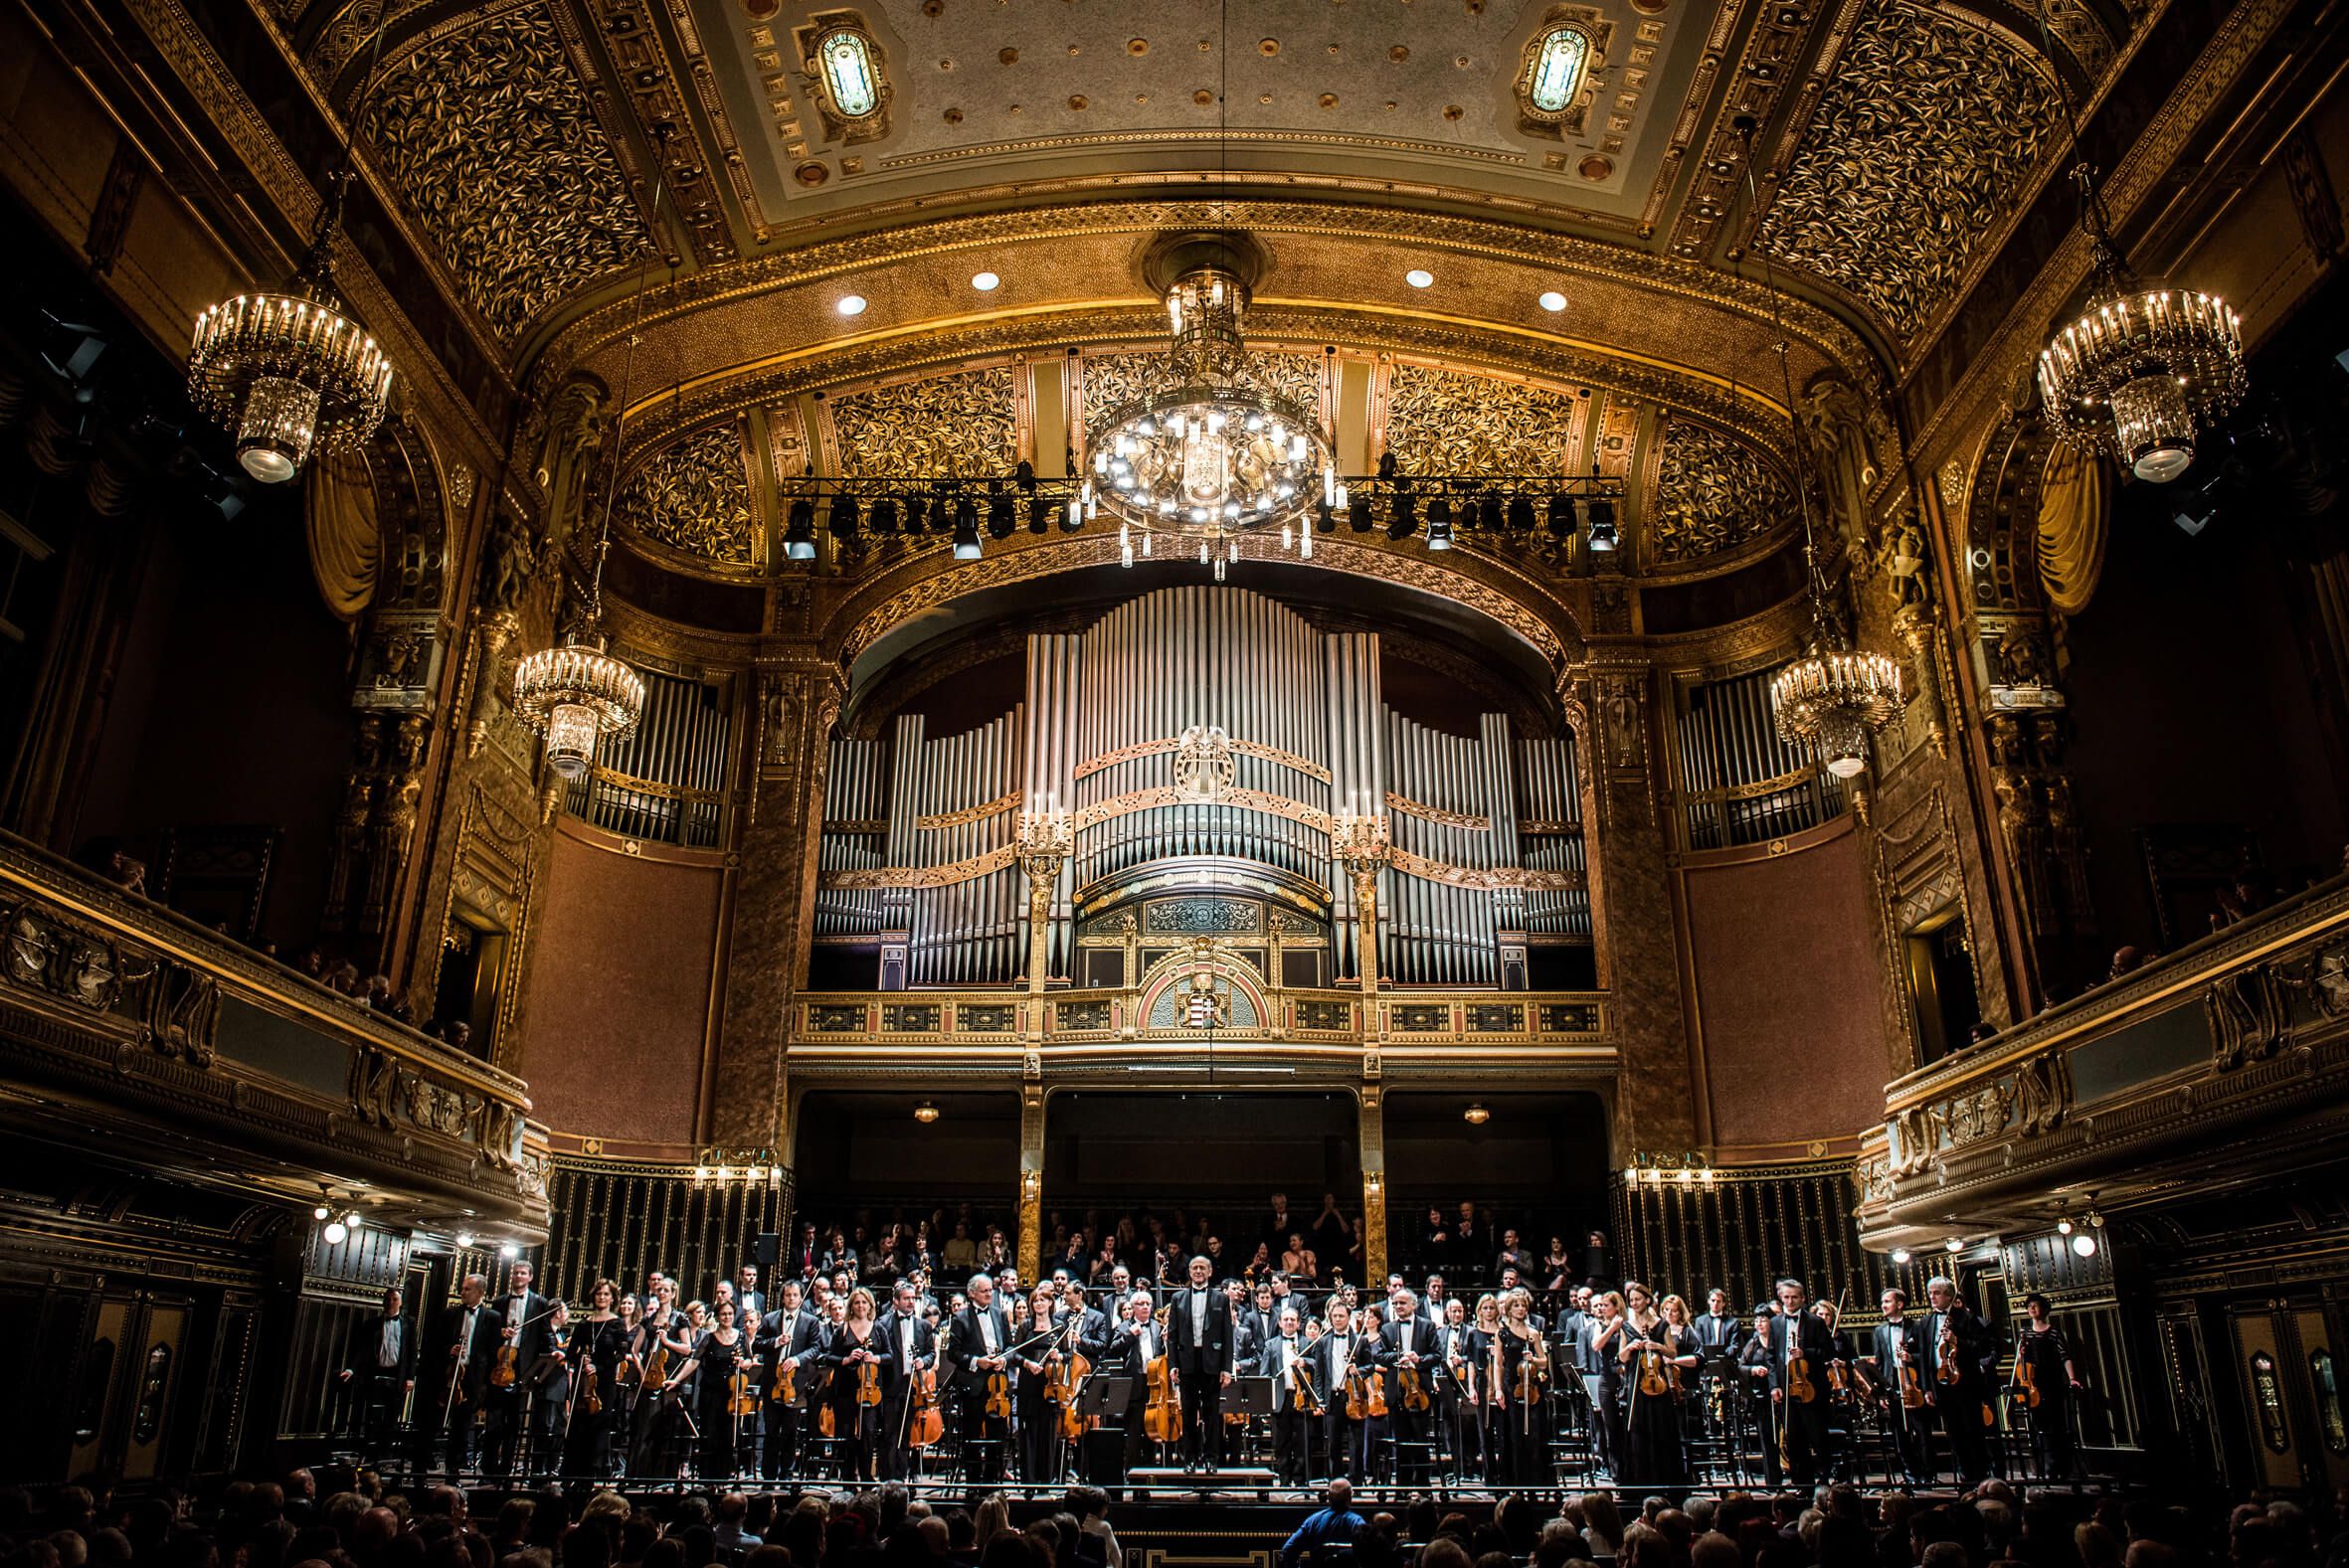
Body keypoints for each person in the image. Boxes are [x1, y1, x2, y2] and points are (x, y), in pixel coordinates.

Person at [1919, 1275, 1997, 1484]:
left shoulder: (1966, 1318)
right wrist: (1927, 1388)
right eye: (1930, 1294)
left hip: (1966, 1383)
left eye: (1937, 1293)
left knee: (1972, 1431)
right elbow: (1926, 1358)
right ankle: (1964, 1478)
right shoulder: (1926, 1322)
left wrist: (1957, 1341)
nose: (1932, 1298)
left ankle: (1979, 1476)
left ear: (1949, 1296)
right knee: (1954, 1433)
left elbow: (1982, 1348)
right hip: (1941, 1383)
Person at [1762, 1278, 1837, 1485]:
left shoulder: (1815, 1322)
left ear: (1803, 1299)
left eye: (1794, 1297)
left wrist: (1806, 1353)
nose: (1790, 1301)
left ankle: (1824, 1480)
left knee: (1817, 1436)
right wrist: (1774, 1385)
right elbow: (1770, 1356)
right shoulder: (1776, 1323)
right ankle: (1801, 1483)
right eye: (1786, 1297)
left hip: (1811, 1388)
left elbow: (1828, 1352)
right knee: (1794, 1439)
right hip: (1786, 1387)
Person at [1615, 1282, 1690, 1485]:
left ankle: (1666, 1478)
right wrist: (1630, 1347)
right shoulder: (1626, 1326)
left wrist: (1657, 1346)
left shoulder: (1661, 1324)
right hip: (1636, 1384)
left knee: (1661, 1427)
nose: (1634, 1303)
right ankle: (1640, 1479)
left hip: (1658, 1384)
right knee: (1637, 1428)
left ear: (1648, 1300)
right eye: (1631, 1301)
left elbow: (1672, 1352)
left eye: (1638, 1299)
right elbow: (1621, 1358)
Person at [1857, 1286, 1929, 1485]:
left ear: (1900, 1304)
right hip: (1891, 1383)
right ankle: (1909, 1473)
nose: (1883, 1305)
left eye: (1887, 1301)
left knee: (1921, 1431)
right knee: (1900, 1434)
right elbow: (1879, 1363)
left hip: (1913, 1383)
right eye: (1882, 1302)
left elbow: (1925, 1355)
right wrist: (1880, 1394)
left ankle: (1926, 1474)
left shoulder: (1917, 1327)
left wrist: (1910, 1357)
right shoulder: (1879, 1331)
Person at [1170, 1254, 1235, 1470]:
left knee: (1211, 1415)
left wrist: (1227, 1368)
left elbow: (1227, 1335)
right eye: (1194, 1268)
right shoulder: (1177, 1298)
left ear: (1210, 1272)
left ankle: (1211, 1459)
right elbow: (1172, 1335)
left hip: (1212, 1363)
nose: (1198, 1271)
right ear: (1189, 1272)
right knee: (1188, 1414)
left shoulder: (1221, 1299)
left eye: (1202, 1268)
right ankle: (1189, 1459)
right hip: (1187, 1361)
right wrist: (1173, 1365)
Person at [436, 1273, 504, 1477]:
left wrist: (485, 1385)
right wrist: (450, 1349)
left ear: (481, 1292)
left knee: (462, 1426)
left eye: (467, 1289)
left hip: (473, 1378)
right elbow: (436, 1342)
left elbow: (492, 1352)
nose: (462, 1292)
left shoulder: (493, 1318)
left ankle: (453, 1471)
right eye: (463, 1288)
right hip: (449, 1375)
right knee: (437, 1421)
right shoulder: (450, 1314)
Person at [486, 1261, 551, 1476]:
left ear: (530, 1277)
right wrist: (500, 1333)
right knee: (493, 1422)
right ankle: (489, 1469)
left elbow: (544, 1335)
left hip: (522, 1369)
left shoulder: (539, 1303)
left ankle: (506, 1468)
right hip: (499, 1368)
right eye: (515, 1273)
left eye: (523, 1273)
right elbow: (489, 1332)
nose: (518, 1277)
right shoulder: (499, 1302)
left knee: (513, 1423)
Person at [2014, 1291, 2086, 1481]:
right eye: (2029, 1306)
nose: (2032, 1308)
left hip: (2051, 1382)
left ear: (2044, 1309)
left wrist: (2072, 1378)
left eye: (2035, 1305)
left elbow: (2065, 1356)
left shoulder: (2053, 1331)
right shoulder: (2025, 1333)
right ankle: (2041, 1467)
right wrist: (2021, 1353)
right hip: (2032, 1384)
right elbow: (2020, 1362)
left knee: (2056, 1426)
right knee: (2038, 1427)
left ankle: (2059, 1467)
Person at [950, 1272, 1014, 1482]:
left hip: (998, 1384)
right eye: (984, 1291)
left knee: (997, 1435)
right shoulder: (960, 1318)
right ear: (972, 1294)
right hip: (974, 1385)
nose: (989, 1294)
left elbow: (1010, 1346)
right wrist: (977, 1361)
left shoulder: (999, 1314)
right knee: (972, 1436)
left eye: (990, 1290)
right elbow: (954, 1353)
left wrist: (1004, 1359)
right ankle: (973, 1482)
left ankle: (992, 1481)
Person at [339, 1285, 413, 1466]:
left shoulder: (409, 1324)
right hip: (376, 1373)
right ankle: (368, 1452)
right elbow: (360, 1351)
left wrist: (410, 1377)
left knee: (391, 1416)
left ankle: (385, 1454)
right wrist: (351, 1369)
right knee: (371, 1416)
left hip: (397, 1375)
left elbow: (411, 1353)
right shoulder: (371, 1325)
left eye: (394, 1299)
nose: (390, 1303)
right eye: (387, 1299)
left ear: (400, 1302)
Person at [562, 1280, 628, 1478]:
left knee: (599, 1423)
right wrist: (582, 1360)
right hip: (584, 1380)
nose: (602, 1297)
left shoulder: (617, 1323)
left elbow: (621, 1354)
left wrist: (597, 1367)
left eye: (606, 1294)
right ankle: (574, 1468)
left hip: (604, 1381)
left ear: (612, 1298)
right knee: (579, 1423)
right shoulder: (584, 1323)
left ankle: (594, 1469)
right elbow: (571, 1352)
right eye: (599, 1294)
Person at [820, 1287, 886, 1483]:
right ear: (851, 1306)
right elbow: (829, 1357)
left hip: (870, 1392)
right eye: (857, 1302)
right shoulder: (843, 1329)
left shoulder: (878, 1328)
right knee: (847, 1437)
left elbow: (890, 1356)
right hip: (846, 1391)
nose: (860, 1306)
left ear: (870, 1305)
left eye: (864, 1302)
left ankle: (867, 1478)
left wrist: (875, 1358)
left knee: (867, 1435)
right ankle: (848, 1478)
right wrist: (847, 1360)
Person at [1278, 1480, 1367, 1568]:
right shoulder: (1357, 1523)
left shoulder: (1313, 1521)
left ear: (1328, 1498)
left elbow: (1286, 1552)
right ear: (1350, 1498)